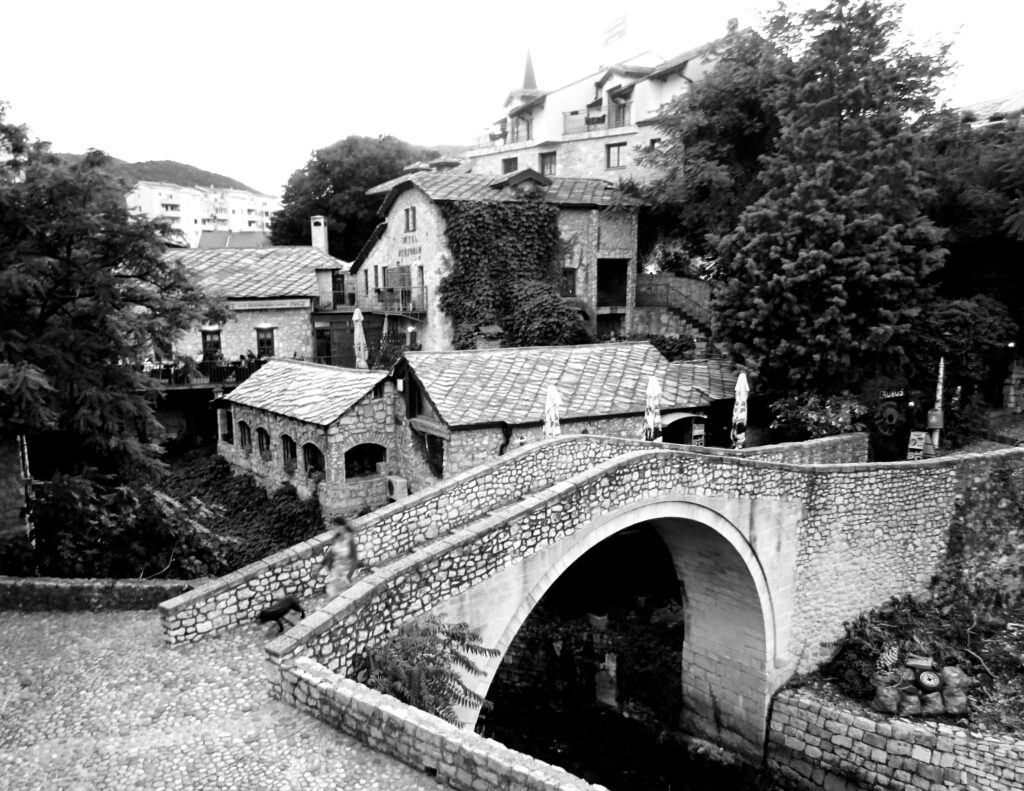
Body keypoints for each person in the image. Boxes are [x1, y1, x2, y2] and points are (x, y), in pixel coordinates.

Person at [322, 516, 358, 598]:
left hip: (346, 575)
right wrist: (321, 564)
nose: (334, 528)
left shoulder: (350, 540)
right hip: (336, 573)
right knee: (333, 597)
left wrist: (348, 576)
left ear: (341, 526)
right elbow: (331, 552)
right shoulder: (337, 538)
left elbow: (355, 559)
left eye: (335, 526)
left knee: (347, 599)